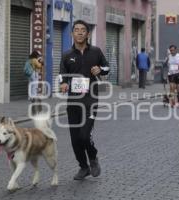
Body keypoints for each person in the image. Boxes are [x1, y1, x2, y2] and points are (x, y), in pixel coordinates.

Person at [59, 20, 109, 180]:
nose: (80, 32)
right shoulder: (67, 55)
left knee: (84, 136)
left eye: (83, 30)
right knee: (75, 139)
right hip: (73, 102)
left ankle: (93, 158)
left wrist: (100, 69)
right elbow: (62, 74)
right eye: (76, 30)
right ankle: (83, 167)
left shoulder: (96, 51)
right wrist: (63, 83)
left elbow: (108, 67)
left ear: (88, 34)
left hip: (91, 100)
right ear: (72, 33)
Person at [26, 50, 43, 115]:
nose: (38, 56)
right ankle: (33, 96)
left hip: (29, 74)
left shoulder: (29, 59)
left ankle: (30, 96)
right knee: (35, 85)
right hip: (34, 73)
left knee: (30, 85)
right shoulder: (35, 60)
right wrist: (41, 62)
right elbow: (39, 66)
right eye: (38, 55)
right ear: (36, 55)